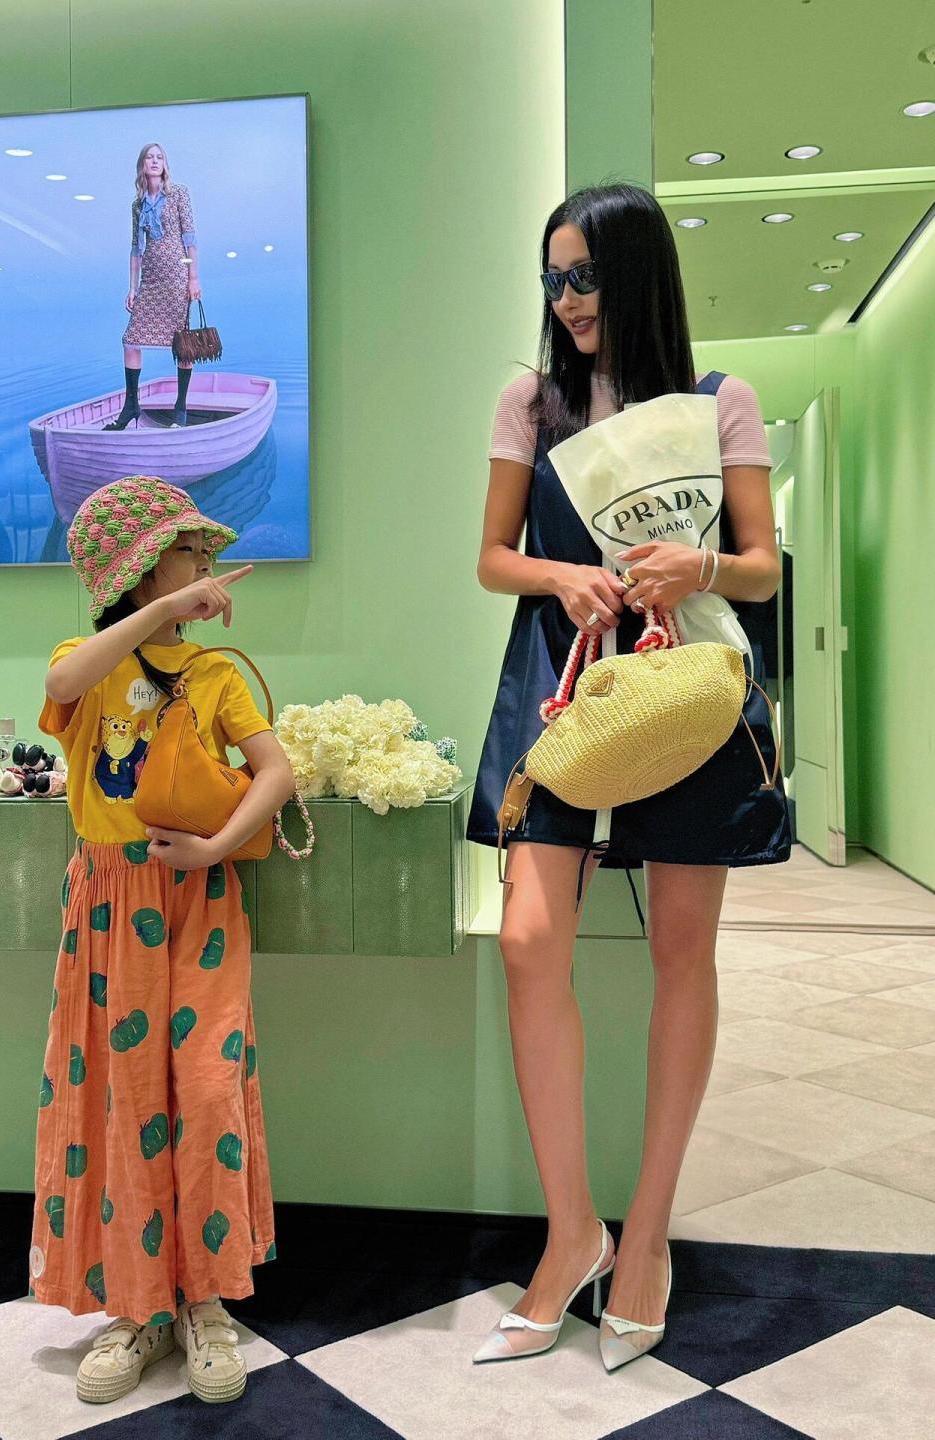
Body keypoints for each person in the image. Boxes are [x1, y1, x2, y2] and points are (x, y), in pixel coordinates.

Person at [467, 184, 789, 1372]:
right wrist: (563, 577)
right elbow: (492, 556)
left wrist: (697, 565)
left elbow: (760, 567)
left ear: (638, 274)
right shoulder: (530, 400)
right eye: (553, 278)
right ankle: (573, 1233)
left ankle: (646, 1234)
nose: (567, 300)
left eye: (586, 276)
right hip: (566, 682)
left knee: (682, 952)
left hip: (685, 682)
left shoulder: (720, 402)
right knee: (528, 941)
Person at [27, 475, 296, 1406]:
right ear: (141, 568)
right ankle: (135, 1306)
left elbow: (275, 771)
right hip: (109, 907)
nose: (204, 563)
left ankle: (207, 1301)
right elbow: (60, 685)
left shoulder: (216, 674)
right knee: (121, 1099)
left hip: (199, 902)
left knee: (209, 1095)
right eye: (187, 549)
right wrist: (164, 613)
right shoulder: (87, 662)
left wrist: (218, 847)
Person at [104, 144, 202, 430]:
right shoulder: (138, 205)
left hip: (177, 276)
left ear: (165, 164)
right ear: (142, 165)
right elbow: (136, 249)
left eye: (160, 157)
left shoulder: (179, 193)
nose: (155, 161)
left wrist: (194, 278)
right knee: (130, 340)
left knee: (183, 344)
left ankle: (180, 408)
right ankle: (131, 406)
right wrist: (132, 288)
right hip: (151, 278)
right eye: (150, 157)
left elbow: (190, 238)